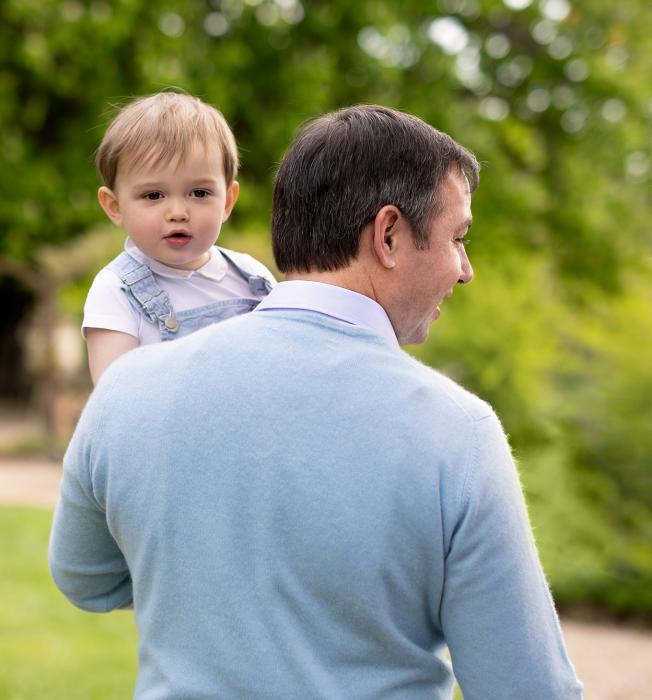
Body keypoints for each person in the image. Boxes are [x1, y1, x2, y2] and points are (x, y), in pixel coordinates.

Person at [50, 105, 583, 699]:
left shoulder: (126, 390)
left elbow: (85, 578)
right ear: (388, 234)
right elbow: (529, 689)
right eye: (458, 238)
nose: (466, 270)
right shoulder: (458, 433)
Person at [83, 91, 276, 383]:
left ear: (227, 202)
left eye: (199, 193)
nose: (177, 212)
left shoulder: (252, 279)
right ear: (115, 206)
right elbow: (114, 403)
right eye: (153, 195)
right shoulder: (116, 291)